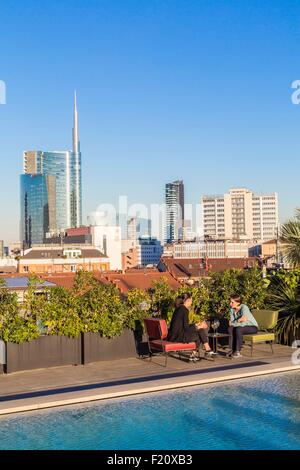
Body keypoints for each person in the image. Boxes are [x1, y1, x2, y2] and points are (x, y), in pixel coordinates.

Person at [168, 293, 216, 360]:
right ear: (187, 300)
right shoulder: (185, 310)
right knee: (200, 332)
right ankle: (204, 351)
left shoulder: (179, 309)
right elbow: (187, 328)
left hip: (174, 335)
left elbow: (184, 326)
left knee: (200, 330)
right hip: (178, 337)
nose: (191, 302)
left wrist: (197, 325)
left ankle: (201, 352)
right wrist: (199, 326)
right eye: (191, 300)